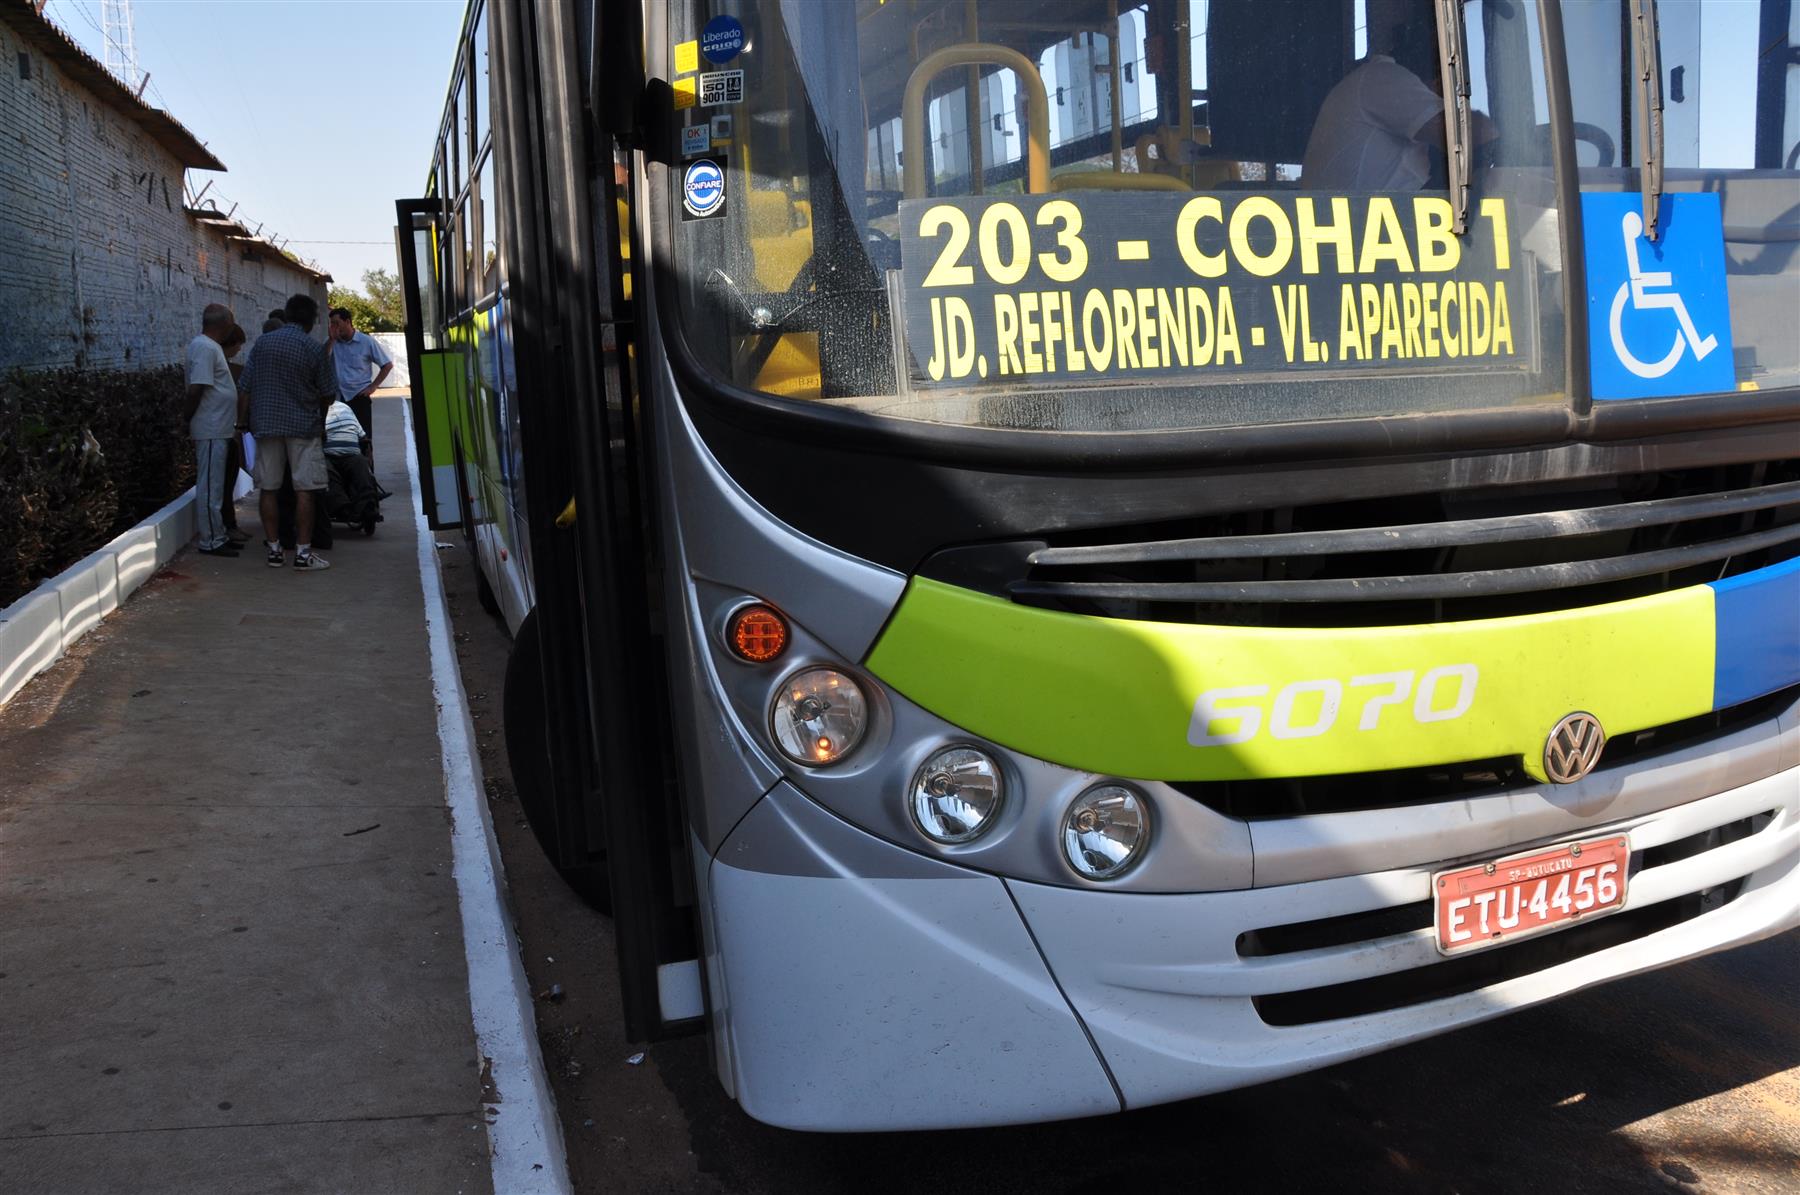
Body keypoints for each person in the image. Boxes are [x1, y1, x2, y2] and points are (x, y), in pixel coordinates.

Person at [239, 294, 338, 571]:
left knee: (268, 488)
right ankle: (303, 554)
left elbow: (245, 387)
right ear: (310, 320)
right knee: (304, 489)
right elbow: (329, 394)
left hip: (266, 426)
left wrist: (241, 424)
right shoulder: (313, 348)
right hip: (303, 428)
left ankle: (274, 550)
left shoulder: (262, 344)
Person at [1301, 18, 1449, 191]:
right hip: (1359, 216)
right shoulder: (1385, 78)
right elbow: (1472, 134)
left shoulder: (1370, 81)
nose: (1443, 88)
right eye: (1440, 69)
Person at [184, 304, 240, 557]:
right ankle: (211, 540)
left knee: (216, 486)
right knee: (210, 486)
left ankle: (218, 535)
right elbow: (197, 388)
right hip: (210, 426)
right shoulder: (205, 347)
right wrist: (186, 419)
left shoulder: (210, 347)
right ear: (224, 324)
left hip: (218, 427)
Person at [326, 308, 392, 457]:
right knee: (340, 441)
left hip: (359, 397)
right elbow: (321, 363)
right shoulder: (332, 342)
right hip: (337, 399)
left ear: (348, 322)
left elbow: (387, 365)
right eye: (331, 324)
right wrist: (331, 340)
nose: (334, 328)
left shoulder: (366, 341)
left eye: (337, 323)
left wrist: (373, 386)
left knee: (364, 441)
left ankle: (368, 477)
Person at [218, 323, 251, 544]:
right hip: (221, 430)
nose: (239, 350)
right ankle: (225, 527)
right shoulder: (222, 368)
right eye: (237, 345)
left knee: (229, 479)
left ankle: (229, 525)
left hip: (227, 430)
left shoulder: (229, 367)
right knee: (224, 482)